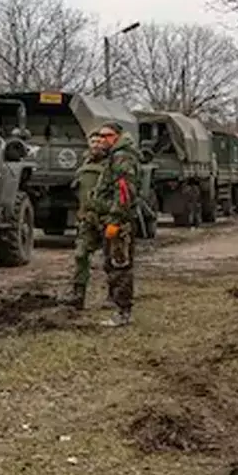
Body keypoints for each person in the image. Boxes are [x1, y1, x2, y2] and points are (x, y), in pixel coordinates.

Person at [93, 121, 141, 326]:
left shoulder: (122, 158)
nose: (102, 140)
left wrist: (115, 220)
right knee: (112, 264)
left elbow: (124, 193)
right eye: (101, 136)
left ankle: (123, 312)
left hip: (119, 222)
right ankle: (119, 308)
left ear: (117, 136)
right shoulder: (113, 157)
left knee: (119, 264)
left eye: (107, 136)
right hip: (111, 219)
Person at [67, 130, 108, 311]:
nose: (96, 145)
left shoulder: (113, 165)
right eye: (93, 142)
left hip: (107, 219)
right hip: (86, 220)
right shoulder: (83, 165)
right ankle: (78, 295)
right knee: (80, 254)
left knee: (112, 260)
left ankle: (114, 296)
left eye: (100, 142)